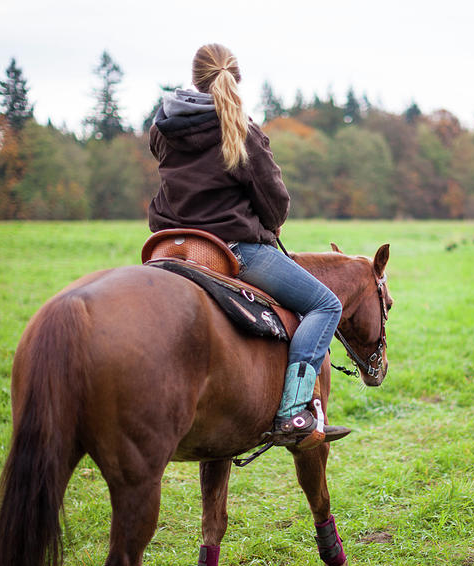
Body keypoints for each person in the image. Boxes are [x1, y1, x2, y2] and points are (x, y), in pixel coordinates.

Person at [148, 43, 345, 449]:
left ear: (194, 77)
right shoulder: (243, 129)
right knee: (327, 305)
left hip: (168, 247)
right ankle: (293, 411)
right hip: (232, 248)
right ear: (234, 79)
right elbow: (276, 202)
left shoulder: (162, 127)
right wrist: (267, 228)